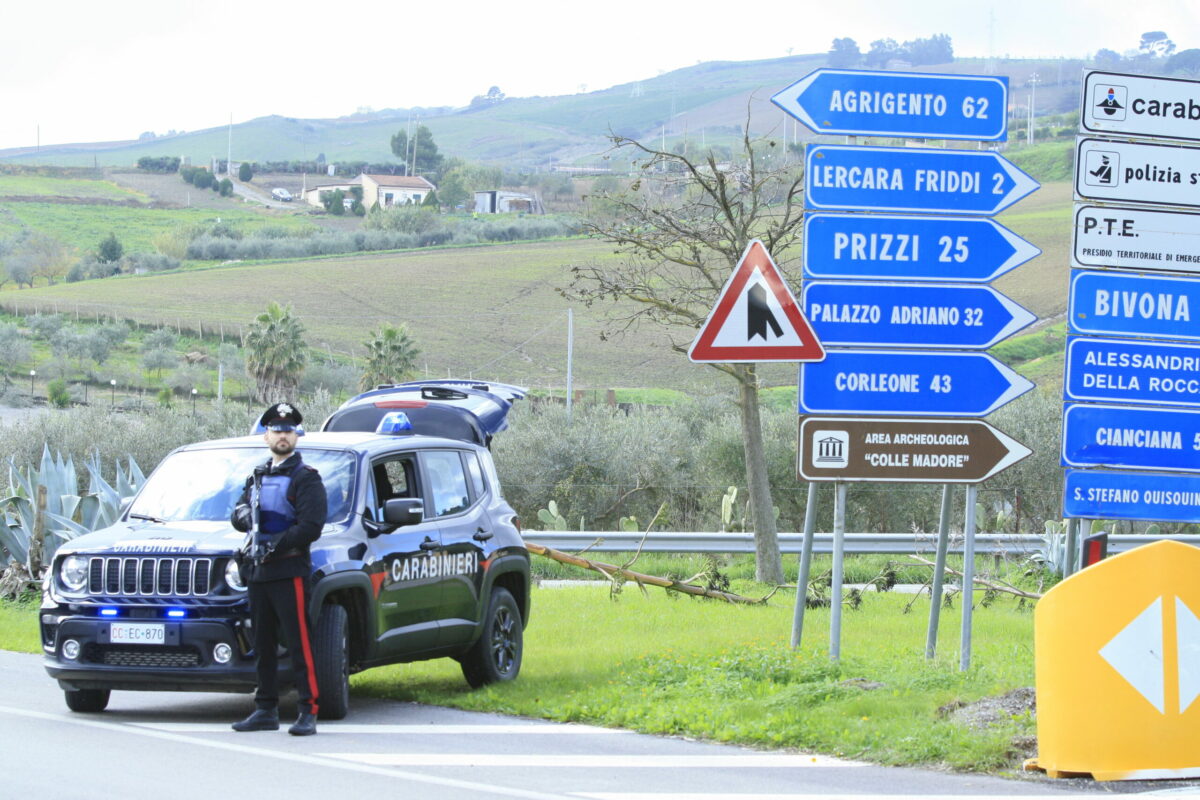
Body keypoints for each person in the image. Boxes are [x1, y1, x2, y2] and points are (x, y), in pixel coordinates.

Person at [230, 402, 327, 736]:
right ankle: (265, 709)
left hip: (289, 571)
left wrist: (278, 544)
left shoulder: (306, 478)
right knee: (263, 643)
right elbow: (239, 510)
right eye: (276, 430)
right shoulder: (258, 475)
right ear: (265, 436)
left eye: (288, 431)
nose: (282, 436)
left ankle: (308, 710)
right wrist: (243, 518)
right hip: (258, 571)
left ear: (296, 436)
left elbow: (311, 526)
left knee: (300, 643)